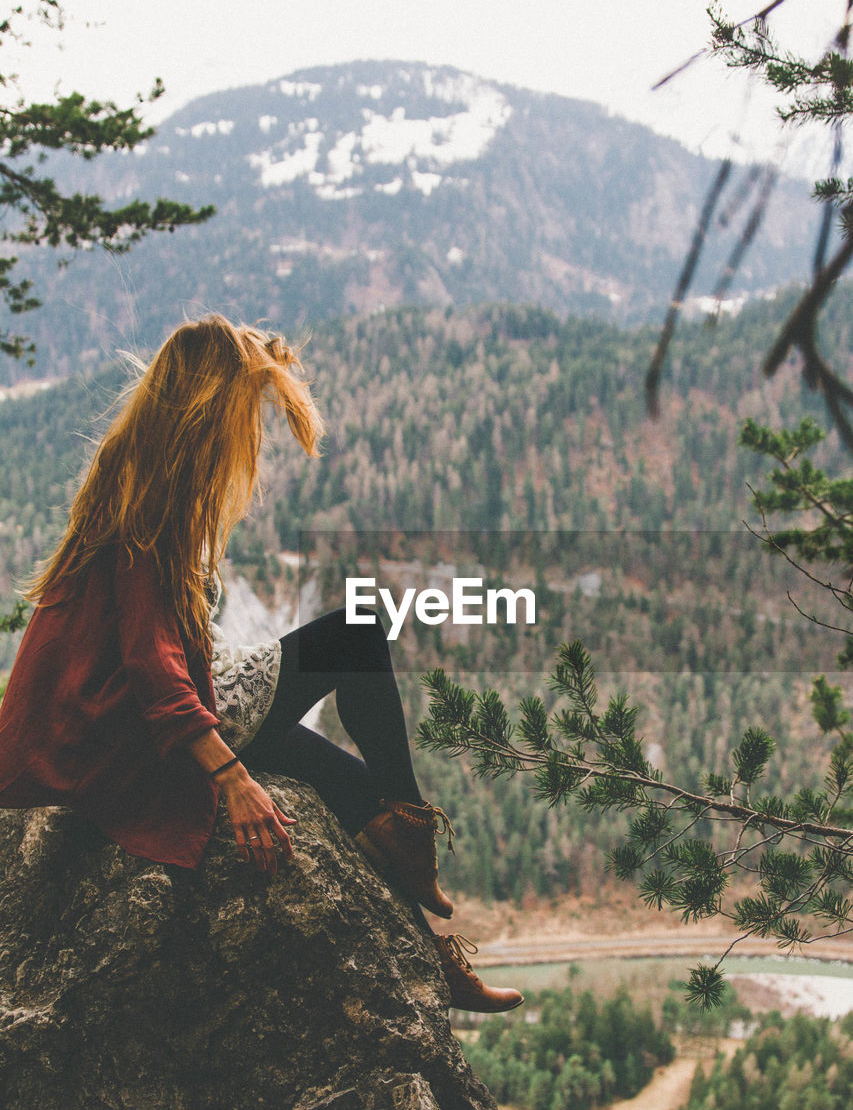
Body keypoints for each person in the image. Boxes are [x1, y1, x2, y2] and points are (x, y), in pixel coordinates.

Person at [0, 314, 522, 1014]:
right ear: (209, 409)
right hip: (116, 728)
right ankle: (410, 821)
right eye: (244, 410)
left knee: (344, 780)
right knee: (356, 633)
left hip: (104, 717)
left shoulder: (133, 471)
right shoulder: (148, 499)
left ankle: (430, 953)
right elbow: (152, 666)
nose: (249, 432)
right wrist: (233, 778)